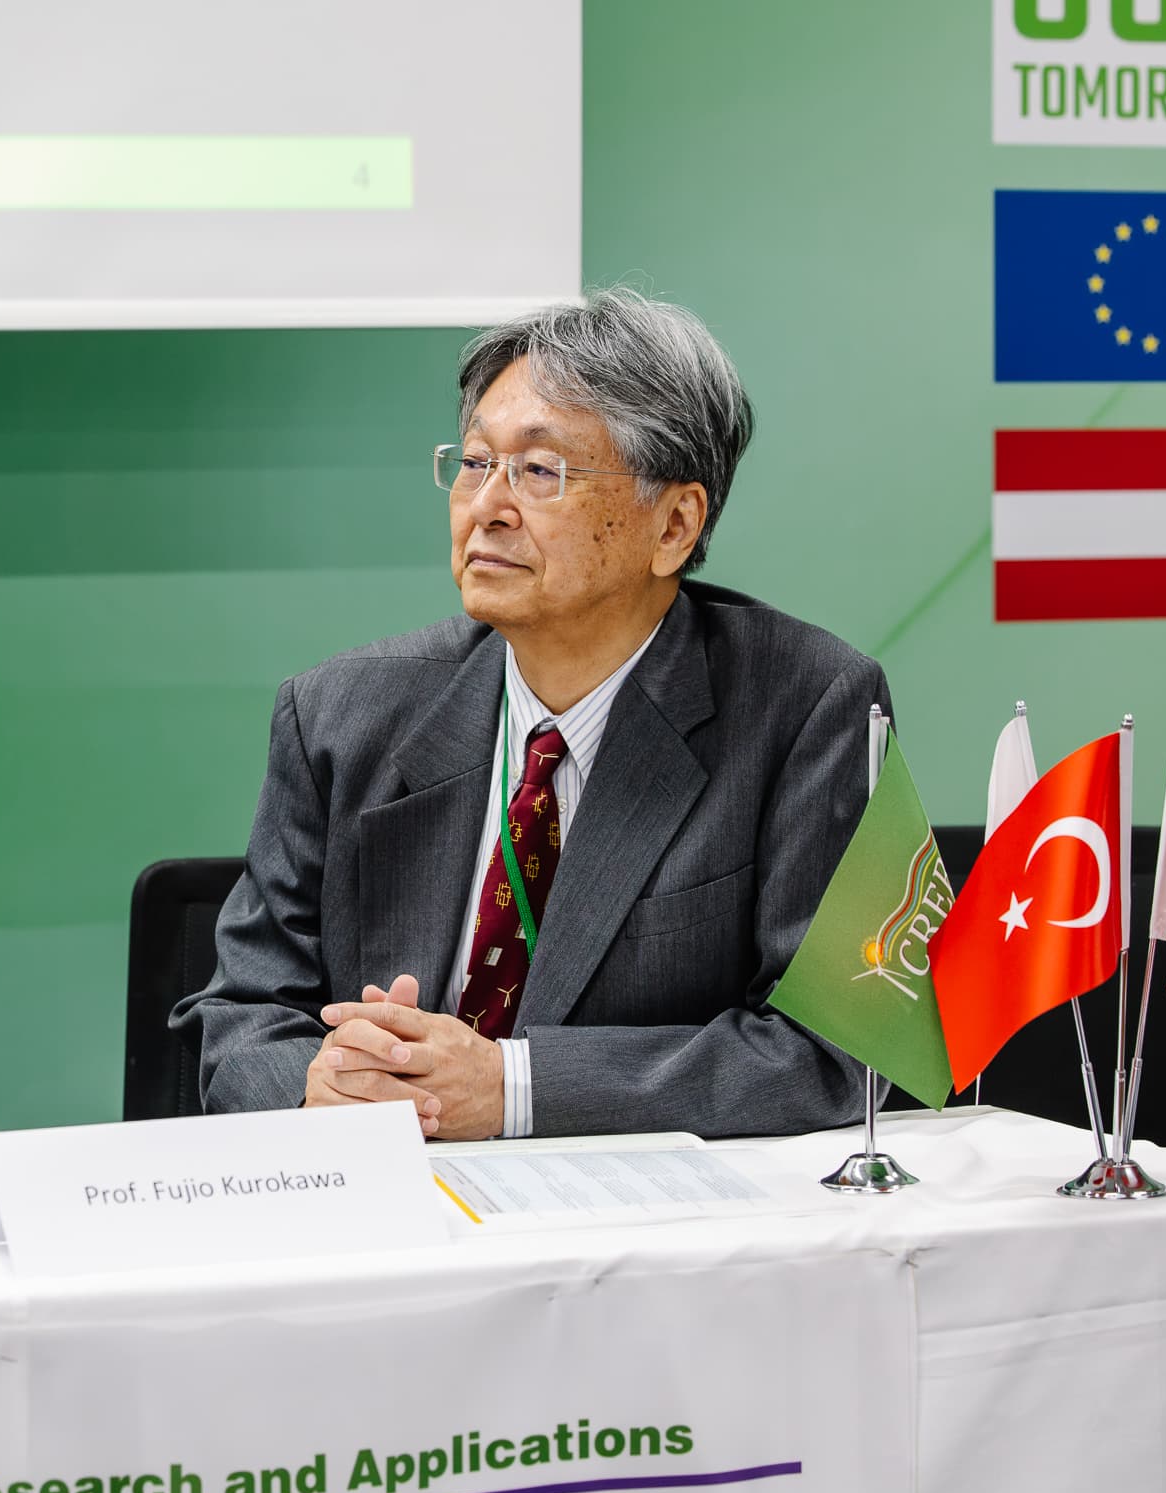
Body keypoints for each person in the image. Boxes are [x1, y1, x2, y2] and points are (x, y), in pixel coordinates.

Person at [175, 287, 887, 1140]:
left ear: (674, 524)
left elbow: (840, 1051)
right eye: (475, 463)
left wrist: (515, 1085)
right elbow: (240, 1014)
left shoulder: (806, 706)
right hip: (389, 1220)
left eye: (540, 471)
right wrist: (321, 1090)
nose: (488, 505)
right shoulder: (340, 715)